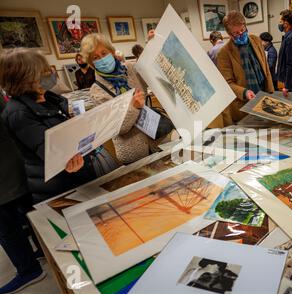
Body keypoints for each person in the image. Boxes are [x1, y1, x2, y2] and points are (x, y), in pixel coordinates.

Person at [0, 48, 99, 204]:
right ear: (23, 79)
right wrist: (68, 159)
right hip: (59, 190)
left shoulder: (50, 97)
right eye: (42, 73)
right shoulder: (18, 112)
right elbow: (54, 153)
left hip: (81, 179)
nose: (49, 75)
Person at [80, 33, 174, 164]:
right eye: (96, 57)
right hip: (134, 153)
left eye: (104, 53)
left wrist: (152, 44)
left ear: (112, 52)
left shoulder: (129, 69)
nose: (102, 59)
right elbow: (117, 128)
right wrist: (134, 107)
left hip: (158, 139)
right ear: (91, 63)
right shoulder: (97, 91)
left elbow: (153, 72)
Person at [0, 117, 46, 294]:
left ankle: (29, 270)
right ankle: (43, 251)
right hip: (14, 162)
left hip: (5, 176)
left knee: (7, 228)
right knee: (30, 212)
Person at [216, 11, 274, 127]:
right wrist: (244, 92)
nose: (240, 34)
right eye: (236, 33)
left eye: (242, 30)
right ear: (229, 34)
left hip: (264, 98)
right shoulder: (224, 53)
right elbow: (227, 83)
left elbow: (266, 68)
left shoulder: (256, 41)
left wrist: (271, 93)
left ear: (245, 25)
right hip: (243, 105)